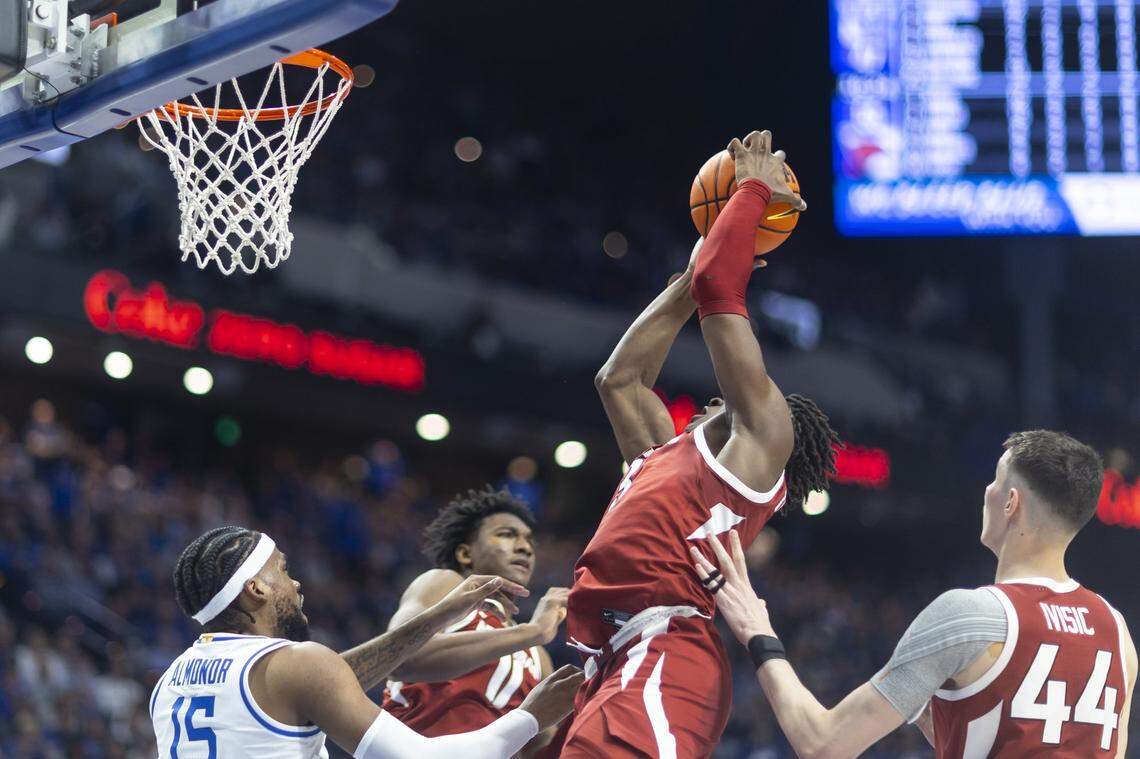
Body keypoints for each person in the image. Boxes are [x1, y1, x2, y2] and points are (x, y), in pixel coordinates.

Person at [557, 130, 839, 758]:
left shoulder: (764, 438)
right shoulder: (666, 454)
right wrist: (688, 276)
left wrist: (753, 191)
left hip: (666, 649)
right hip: (613, 659)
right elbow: (618, 380)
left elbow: (722, 286)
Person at [694, 430, 1137, 758]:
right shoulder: (1118, 634)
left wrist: (758, 631)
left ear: (1011, 502)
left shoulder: (970, 615)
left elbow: (823, 743)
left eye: (997, 480)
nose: (987, 489)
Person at [151, 525, 582, 759]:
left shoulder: (168, 682)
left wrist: (437, 616)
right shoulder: (298, 665)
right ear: (256, 590)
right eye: (281, 571)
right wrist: (529, 716)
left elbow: (326, 680)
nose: (296, 583)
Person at [382, 487, 568, 756]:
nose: (525, 547)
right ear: (465, 554)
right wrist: (534, 630)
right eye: (506, 534)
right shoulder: (444, 584)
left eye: (529, 541)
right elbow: (399, 658)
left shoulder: (537, 653)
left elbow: (539, 747)